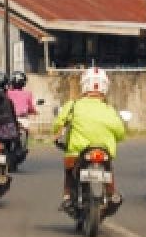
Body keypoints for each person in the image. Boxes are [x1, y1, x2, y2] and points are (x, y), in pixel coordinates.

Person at [51, 67, 127, 214]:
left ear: (84, 85)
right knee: (108, 170)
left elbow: (58, 124)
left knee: (69, 172)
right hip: (104, 152)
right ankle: (112, 195)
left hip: (76, 152)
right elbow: (121, 133)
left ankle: (67, 197)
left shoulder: (73, 106)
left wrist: (56, 133)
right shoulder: (109, 110)